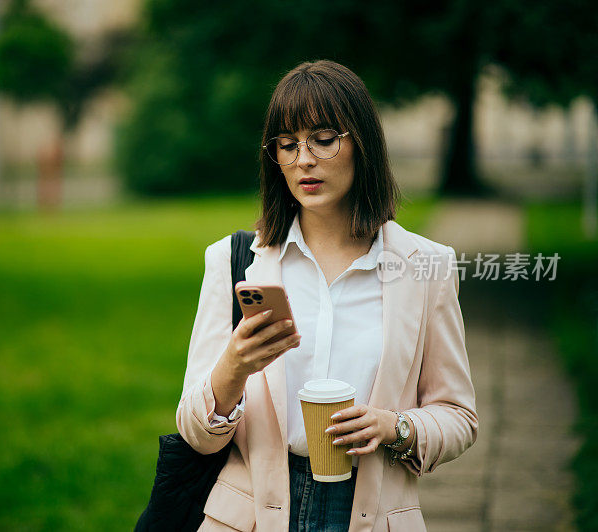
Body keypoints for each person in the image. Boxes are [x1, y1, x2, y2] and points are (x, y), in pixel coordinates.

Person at [176, 59, 478, 532]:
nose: (304, 160)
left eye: (323, 138)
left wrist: (394, 427)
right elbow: (195, 433)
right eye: (287, 143)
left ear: (363, 145)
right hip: (251, 517)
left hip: (372, 513)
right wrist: (233, 367)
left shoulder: (426, 266)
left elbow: (459, 416)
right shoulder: (234, 260)